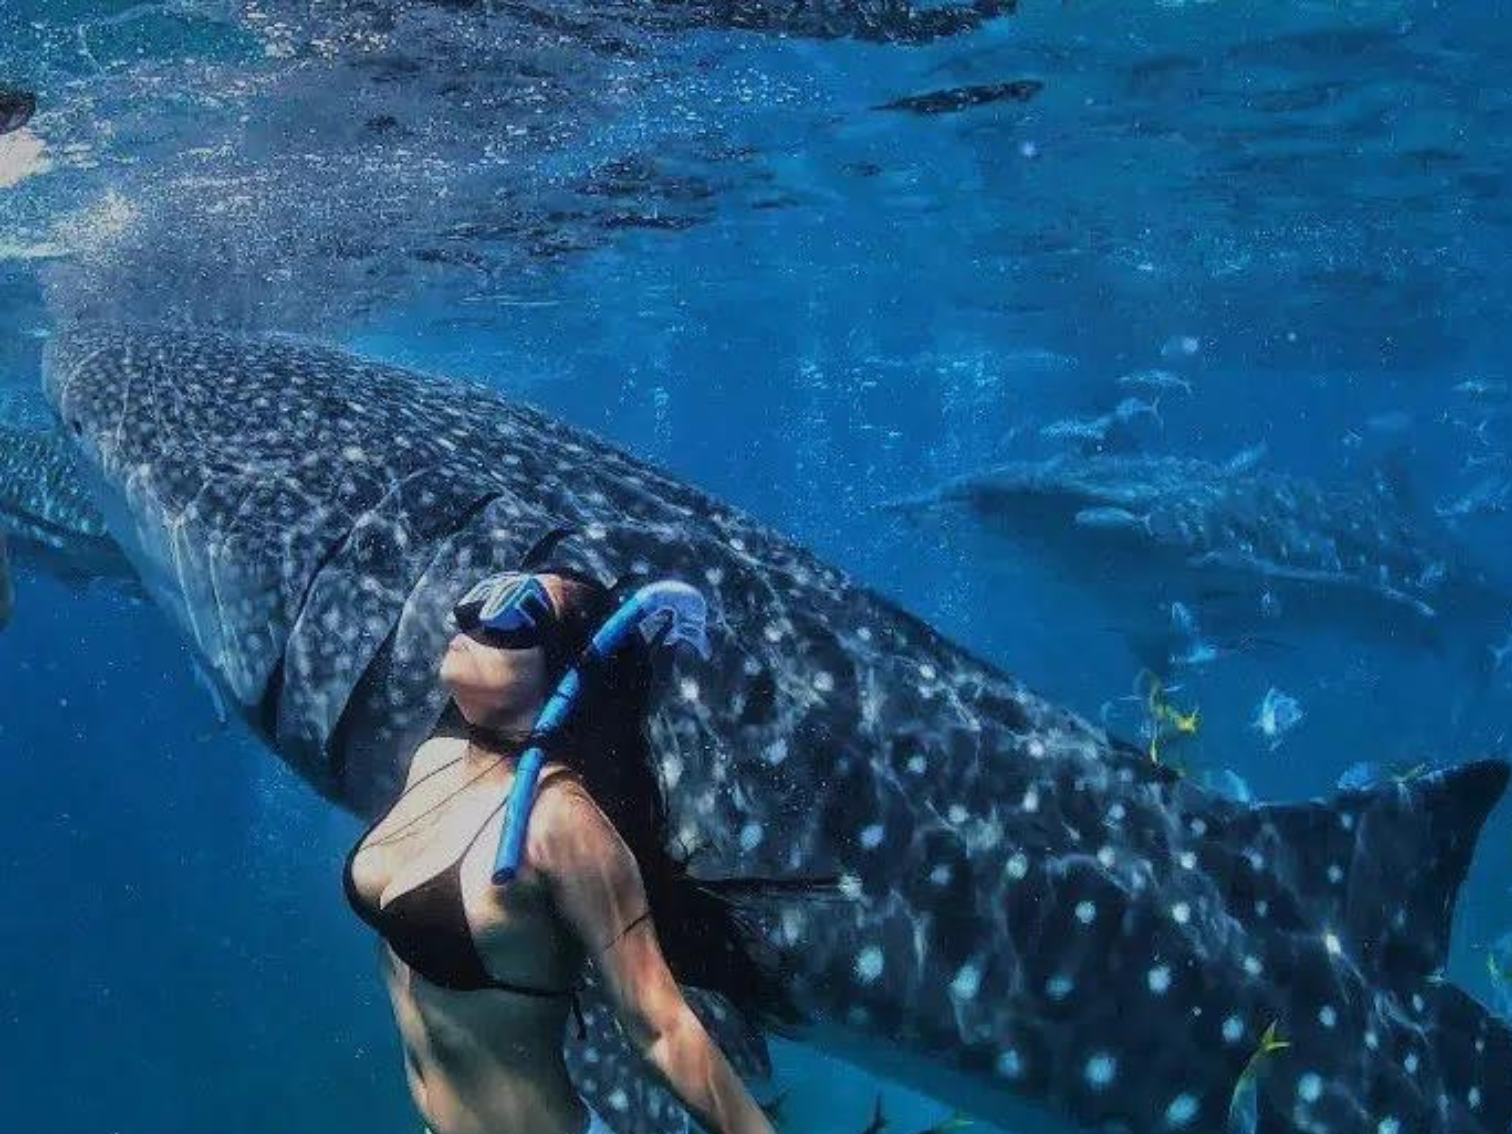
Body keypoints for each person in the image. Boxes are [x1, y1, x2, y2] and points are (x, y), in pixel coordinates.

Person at [345, 552, 829, 1134]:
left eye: (511, 613)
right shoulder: (435, 761)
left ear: (565, 672)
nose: (467, 618)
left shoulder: (562, 823)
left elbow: (661, 1028)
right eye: (479, 595)